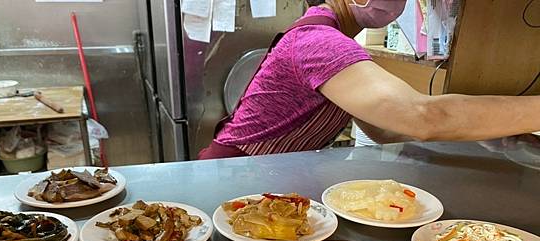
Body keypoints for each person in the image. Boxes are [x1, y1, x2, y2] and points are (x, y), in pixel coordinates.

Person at [198, 0, 540, 159]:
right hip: (235, 175)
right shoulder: (319, 42)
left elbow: (381, 129)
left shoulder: (335, 39)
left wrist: (478, 133)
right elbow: (422, 116)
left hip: (263, 174)